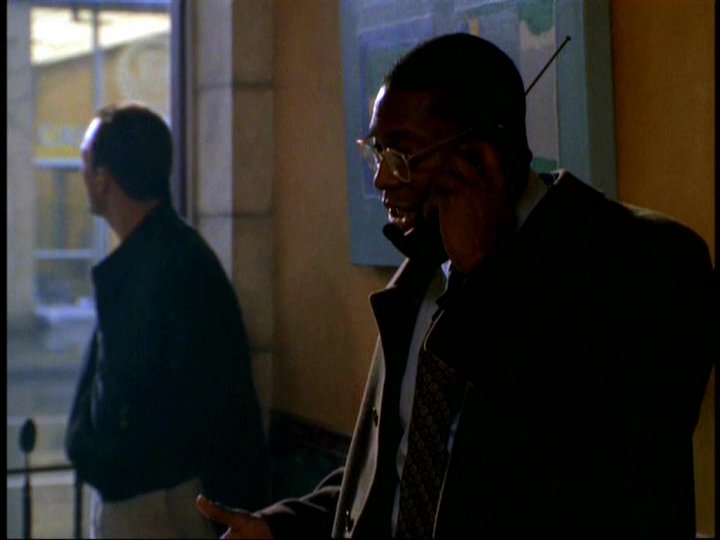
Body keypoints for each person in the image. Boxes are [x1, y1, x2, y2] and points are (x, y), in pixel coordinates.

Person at [197, 33, 717, 539]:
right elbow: (408, 472)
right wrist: (283, 526)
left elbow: (603, 471)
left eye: (402, 155)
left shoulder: (645, 260)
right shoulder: (426, 265)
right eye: (377, 152)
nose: (381, 179)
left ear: (479, 158)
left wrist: (486, 276)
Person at [65, 102, 270, 538]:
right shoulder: (174, 257)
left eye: (85, 161)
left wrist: (96, 454)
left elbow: (135, 404)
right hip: (156, 496)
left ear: (103, 177)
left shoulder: (163, 270)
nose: (81, 173)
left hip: (155, 504)